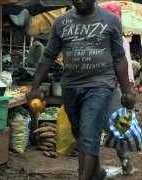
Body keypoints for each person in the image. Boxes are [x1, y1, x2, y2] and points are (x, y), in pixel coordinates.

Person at [27, 0, 136, 179]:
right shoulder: (61, 22)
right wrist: (35, 87)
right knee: (80, 132)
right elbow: (49, 54)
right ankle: (97, 171)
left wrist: (128, 89)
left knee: (89, 133)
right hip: (70, 86)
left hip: (100, 85)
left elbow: (119, 57)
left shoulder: (110, 20)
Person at [101, 2, 135, 176]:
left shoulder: (120, 39)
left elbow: (127, 64)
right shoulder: (95, 36)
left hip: (114, 88)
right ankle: (90, 167)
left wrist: (128, 89)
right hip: (94, 86)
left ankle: (125, 159)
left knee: (118, 126)